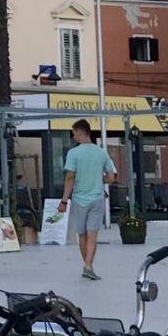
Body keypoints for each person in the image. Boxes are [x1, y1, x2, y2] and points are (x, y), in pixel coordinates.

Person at [58, 120, 115, 281]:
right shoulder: (101, 153)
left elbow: (70, 178)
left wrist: (63, 201)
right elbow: (111, 177)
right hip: (97, 198)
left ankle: (88, 266)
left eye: (74, 133)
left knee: (82, 235)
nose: (73, 136)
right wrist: (98, 179)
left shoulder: (73, 154)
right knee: (93, 234)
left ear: (81, 133)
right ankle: (88, 266)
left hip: (79, 199)